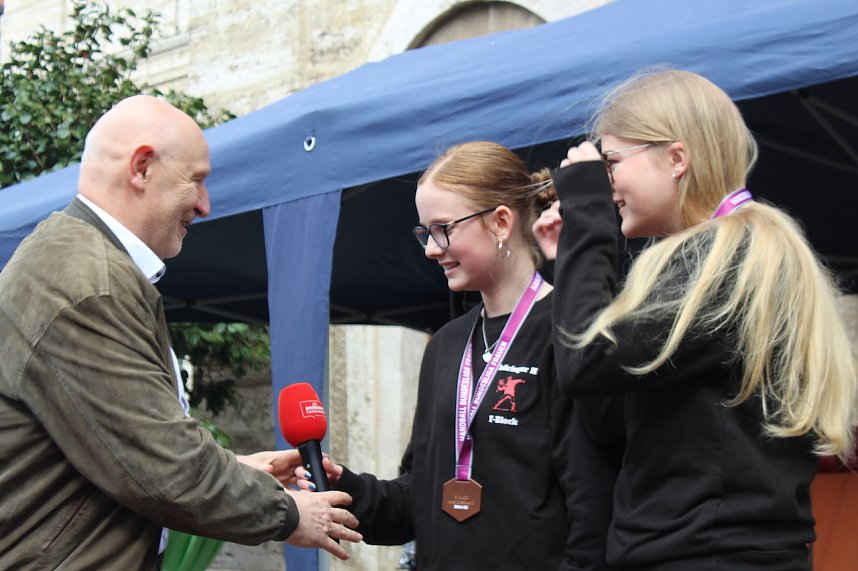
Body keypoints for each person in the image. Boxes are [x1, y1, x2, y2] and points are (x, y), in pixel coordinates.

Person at [0, 95, 361, 569]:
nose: (206, 205)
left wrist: (239, 470)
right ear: (142, 167)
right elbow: (163, 468)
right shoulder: (90, 286)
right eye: (197, 180)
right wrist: (290, 513)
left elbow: (121, 446)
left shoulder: (84, 265)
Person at [534, 69, 857, 570]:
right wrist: (575, 257)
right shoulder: (701, 259)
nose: (607, 181)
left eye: (612, 161)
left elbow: (586, 362)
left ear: (676, 158)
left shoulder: (732, 259)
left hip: (714, 554)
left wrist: (589, 226)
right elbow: (605, 411)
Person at [298, 142, 588, 569]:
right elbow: (420, 496)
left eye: (443, 229)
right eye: (424, 233)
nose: (431, 249)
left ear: (501, 222)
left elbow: (592, 504)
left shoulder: (570, 332)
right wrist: (351, 490)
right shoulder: (448, 344)